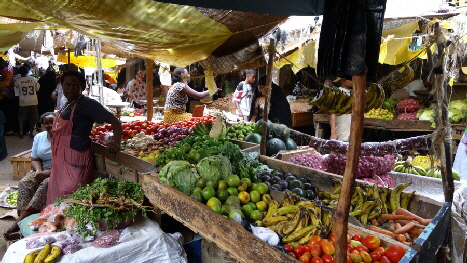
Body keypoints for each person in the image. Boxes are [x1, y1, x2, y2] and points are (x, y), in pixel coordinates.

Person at [47, 71, 122, 205]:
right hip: (61, 157)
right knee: (59, 192)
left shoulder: (88, 104)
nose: (70, 89)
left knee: (74, 192)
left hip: (76, 156)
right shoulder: (67, 103)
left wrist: (116, 143)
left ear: (82, 87)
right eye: (67, 85)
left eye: (75, 86)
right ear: (62, 86)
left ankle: (74, 223)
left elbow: (116, 122)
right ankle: (59, 220)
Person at [3, 112, 55, 240]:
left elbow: (65, 161)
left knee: (45, 184)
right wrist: (38, 170)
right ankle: (23, 223)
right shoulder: (39, 137)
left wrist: (48, 173)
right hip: (42, 168)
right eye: (46, 123)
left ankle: (17, 223)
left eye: (52, 122)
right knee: (25, 182)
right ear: (42, 125)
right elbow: (35, 158)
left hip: (57, 170)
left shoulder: (63, 138)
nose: (49, 125)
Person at [14, 66, 40, 138]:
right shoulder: (33, 79)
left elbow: (17, 94)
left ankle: (21, 131)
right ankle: (31, 133)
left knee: (21, 117)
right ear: (27, 71)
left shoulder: (18, 81)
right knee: (33, 118)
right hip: (33, 101)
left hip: (23, 101)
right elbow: (38, 89)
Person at [330, 76, 353, 142]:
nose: (353, 81)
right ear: (342, 81)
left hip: (351, 134)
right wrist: (333, 133)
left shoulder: (353, 93)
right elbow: (333, 114)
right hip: (341, 133)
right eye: (350, 79)